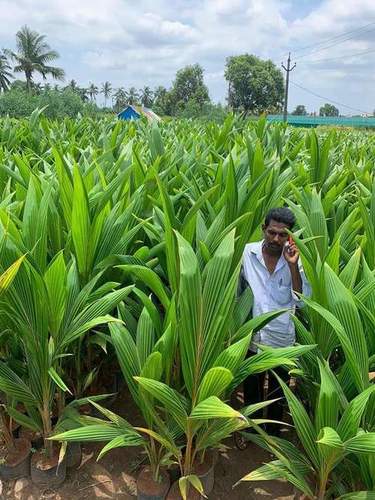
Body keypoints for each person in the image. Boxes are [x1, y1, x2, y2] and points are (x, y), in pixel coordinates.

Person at [236, 207, 311, 447]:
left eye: (282, 234)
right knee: (252, 387)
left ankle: (274, 436)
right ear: (263, 229)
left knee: (279, 390)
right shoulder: (247, 254)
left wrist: (291, 266)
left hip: (280, 338)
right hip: (252, 335)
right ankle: (251, 432)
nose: (276, 239)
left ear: (289, 236)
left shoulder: (294, 261)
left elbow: (301, 299)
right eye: (272, 232)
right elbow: (236, 290)